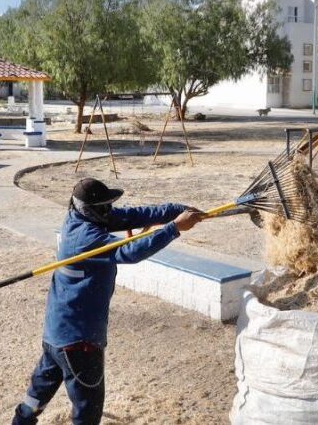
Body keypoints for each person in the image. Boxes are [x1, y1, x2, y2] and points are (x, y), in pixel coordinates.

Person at [11, 178, 204, 425]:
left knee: (36, 396)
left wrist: (176, 211)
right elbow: (130, 251)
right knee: (87, 411)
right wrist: (174, 229)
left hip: (56, 334)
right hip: (78, 342)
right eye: (105, 207)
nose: (110, 212)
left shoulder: (79, 218)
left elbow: (132, 216)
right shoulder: (85, 237)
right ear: (91, 209)